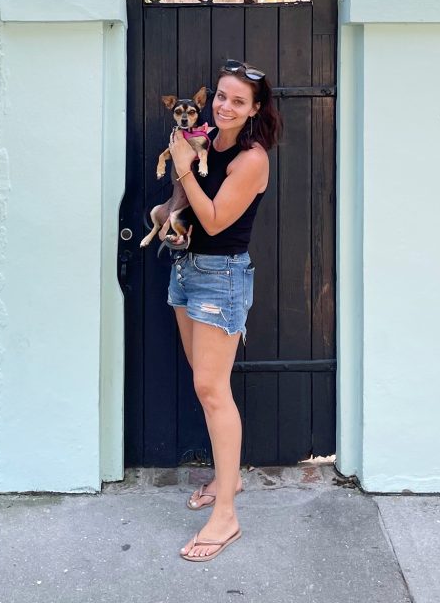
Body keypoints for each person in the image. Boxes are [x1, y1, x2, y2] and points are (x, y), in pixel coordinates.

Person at [165, 59, 282, 562]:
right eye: (221, 95)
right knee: (205, 381)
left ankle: (227, 515)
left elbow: (213, 221)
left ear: (254, 110)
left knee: (211, 390)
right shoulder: (208, 137)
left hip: (222, 277)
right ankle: (225, 477)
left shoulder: (252, 159)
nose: (224, 105)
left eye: (238, 100)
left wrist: (184, 170)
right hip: (186, 269)